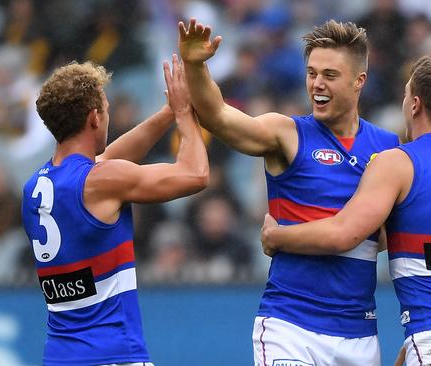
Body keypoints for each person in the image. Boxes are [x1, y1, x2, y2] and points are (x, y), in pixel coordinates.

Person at [178, 18, 399, 365]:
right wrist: (195, 66)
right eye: (311, 73)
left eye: (330, 75)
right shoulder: (286, 133)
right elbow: (217, 117)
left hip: (359, 335)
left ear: (360, 81)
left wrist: (295, 237)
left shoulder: (388, 150)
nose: (317, 85)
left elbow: (392, 232)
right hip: (290, 328)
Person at [262, 55, 431, 365]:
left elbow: (344, 234)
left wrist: (277, 237)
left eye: (405, 94)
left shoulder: (398, 162)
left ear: (414, 104)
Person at [20, 56, 209, 365]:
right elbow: (195, 174)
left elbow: (106, 161)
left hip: (58, 356)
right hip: (115, 353)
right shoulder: (102, 181)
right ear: (94, 118)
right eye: (106, 110)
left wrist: (167, 113)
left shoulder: (34, 187)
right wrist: (185, 115)